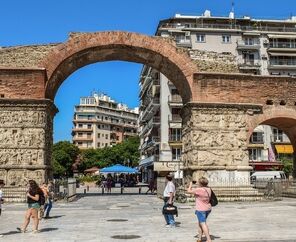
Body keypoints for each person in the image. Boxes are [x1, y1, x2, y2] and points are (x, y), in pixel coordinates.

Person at [187, 177, 212, 242]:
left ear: (200, 183)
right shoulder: (208, 189)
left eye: (198, 182)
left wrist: (190, 184)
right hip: (208, 208)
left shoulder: (199, 190)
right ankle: (199, 238)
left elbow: (188, 191)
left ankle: (208, 239)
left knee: (203, 223)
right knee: (200, 223)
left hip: (201, 209)